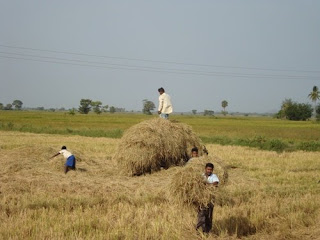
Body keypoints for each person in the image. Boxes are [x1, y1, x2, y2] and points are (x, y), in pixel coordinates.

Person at [196, 163, 219, 233]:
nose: (209, 171)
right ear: (205, 169)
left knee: (208, 216)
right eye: (208, 169)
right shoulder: (201, 176)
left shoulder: (214, 176)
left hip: (210, 199)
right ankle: (200, 231)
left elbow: (215, 183)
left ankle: (207, 231)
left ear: (212, 170)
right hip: (201, 199)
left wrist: (206, 184)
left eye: (210, 170)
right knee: (201, 214)